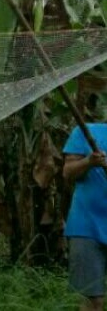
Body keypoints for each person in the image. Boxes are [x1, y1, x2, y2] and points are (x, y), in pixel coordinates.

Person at [63, 124, 107, 311]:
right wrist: (89, 162)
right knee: (92, 301)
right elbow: (67, 172)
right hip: (86, 226)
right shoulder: (84, 131)